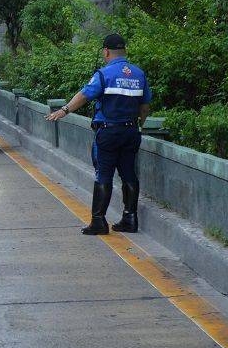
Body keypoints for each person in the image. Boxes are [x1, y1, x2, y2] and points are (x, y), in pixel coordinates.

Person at [45, 34, 151, 235]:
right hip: (131, 132)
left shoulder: (104, 74)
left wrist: (64, 110)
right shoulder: (139, 74)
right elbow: (144, 106)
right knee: (128, 172)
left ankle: (99, 221)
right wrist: (139, 126)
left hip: (109, 132)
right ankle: (130, 218)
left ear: (106, 51)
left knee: (104, 174)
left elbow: (85, 95)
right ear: (124, 50)